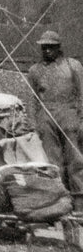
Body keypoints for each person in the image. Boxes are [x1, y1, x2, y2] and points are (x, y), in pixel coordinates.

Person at [27, 30, 83, 210]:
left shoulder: (72, 66)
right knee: (52, 162)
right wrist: (33, 124)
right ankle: (58, 203)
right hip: (46, 116)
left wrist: (81, 120)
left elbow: (82, 93)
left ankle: (79, 202)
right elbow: (32, 99)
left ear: (59, 48)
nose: (47, 51)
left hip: (69, 114)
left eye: (51, 47)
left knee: (75, 159)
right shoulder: (35, 70)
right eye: (44, 48)